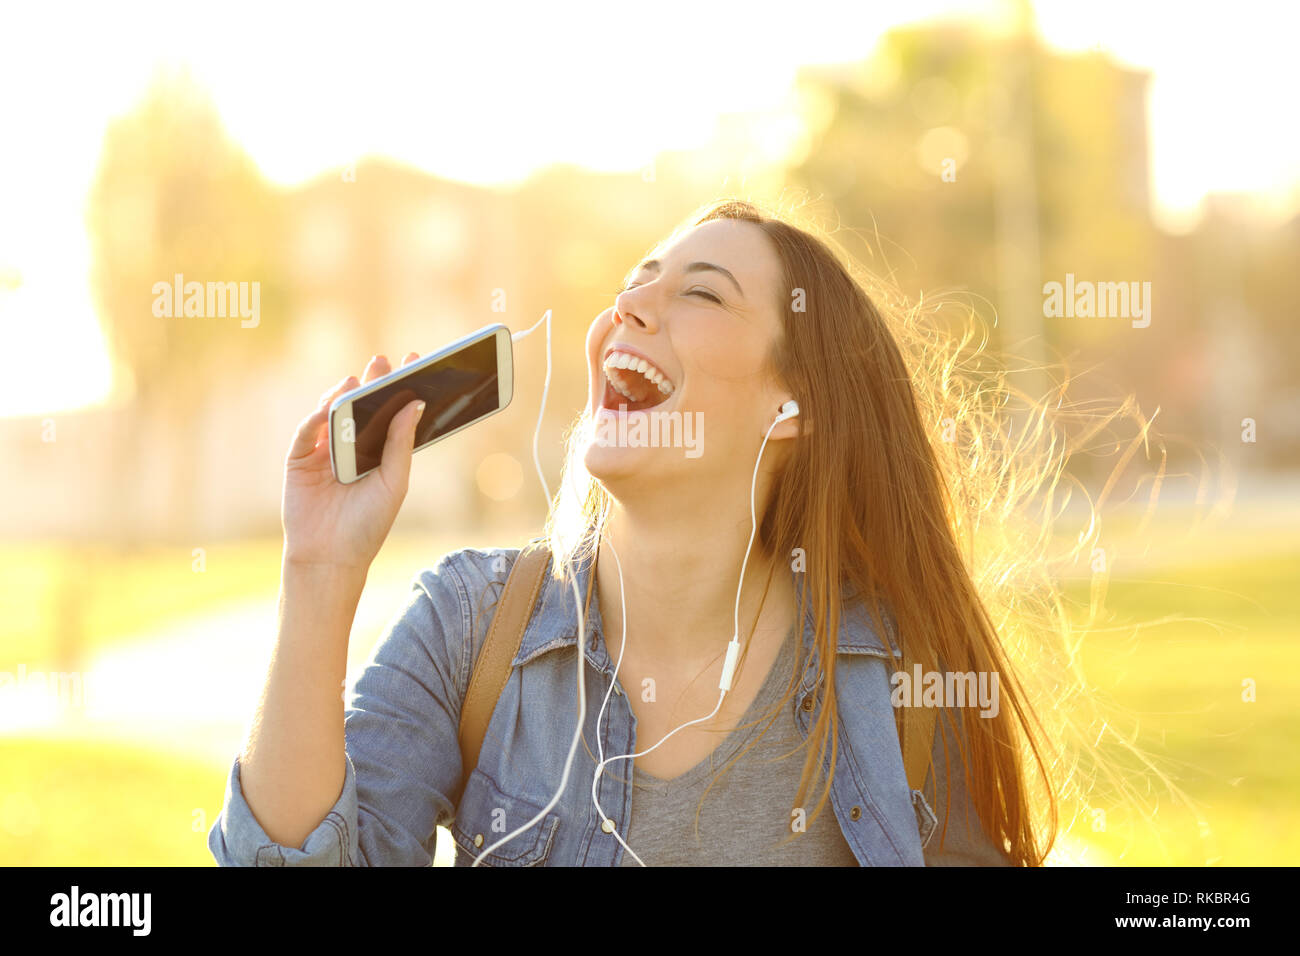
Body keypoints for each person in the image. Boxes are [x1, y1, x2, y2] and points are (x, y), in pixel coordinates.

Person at [210, 198, 1083, 866]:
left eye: (699, 292)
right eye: (633, 283)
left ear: (794, 406)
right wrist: (318, 568)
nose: (626, 309)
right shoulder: (468, 628)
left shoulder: (901, 677)